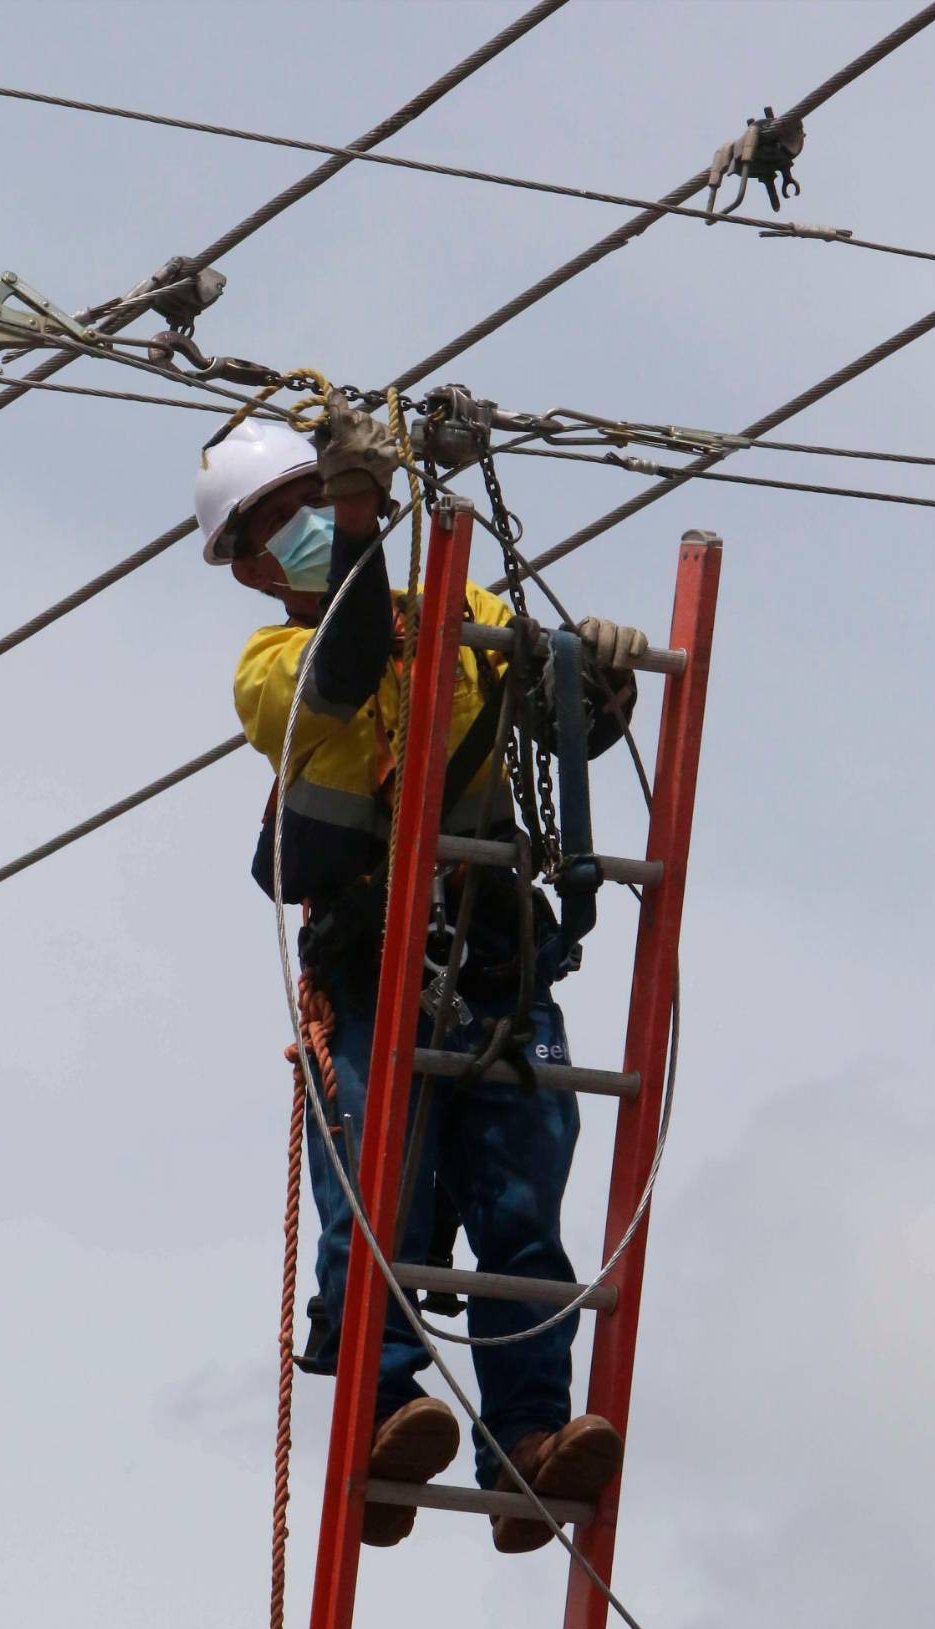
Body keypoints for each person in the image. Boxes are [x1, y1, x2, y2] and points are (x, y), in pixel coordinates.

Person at [197, 398, 649, 1551]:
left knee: (520, 1208)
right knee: (379, 1205)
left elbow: (553, 729)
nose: (299, 528)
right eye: (274, 525)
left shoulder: (465, 612)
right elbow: (349, 666)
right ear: (251, 571)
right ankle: (388, 1415)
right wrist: (359, 514)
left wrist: (596, 682)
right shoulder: (272, 667)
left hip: (495, 961)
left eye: (309, 502)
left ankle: (532, 1439)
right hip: (367, 968)